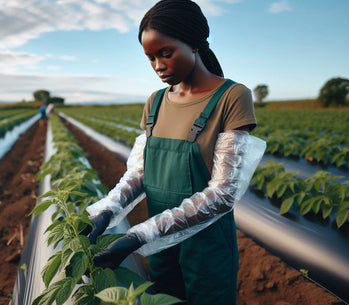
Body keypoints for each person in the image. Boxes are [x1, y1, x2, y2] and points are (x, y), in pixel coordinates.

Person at [84, 0, 266, 304]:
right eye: (150, 57)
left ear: (194, 43)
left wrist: (139, 235)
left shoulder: (232, 97)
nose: (158, 65)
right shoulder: (154, 102)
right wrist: (108, 210)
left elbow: (223, 193)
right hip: (161, 247)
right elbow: (141, 172)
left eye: (165, 53)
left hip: (206, 247)